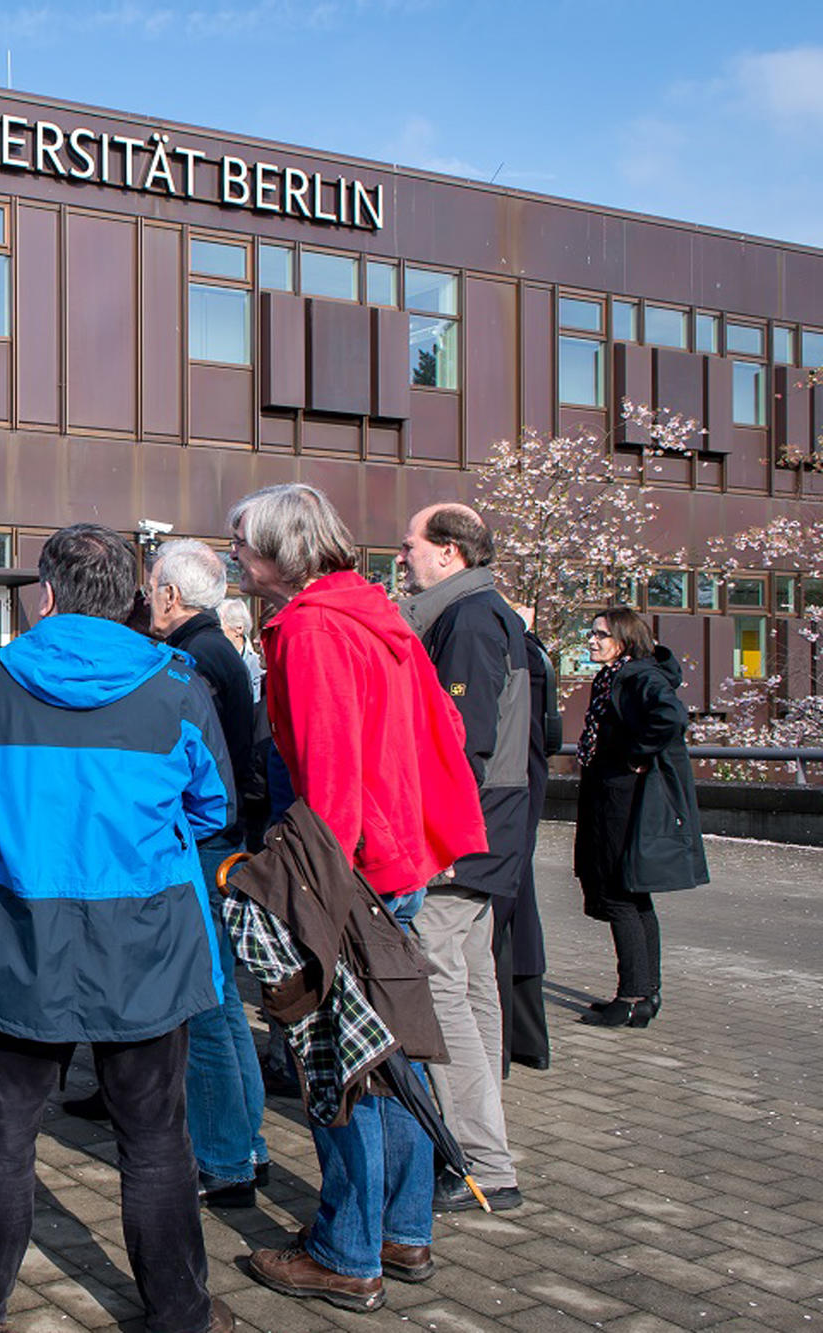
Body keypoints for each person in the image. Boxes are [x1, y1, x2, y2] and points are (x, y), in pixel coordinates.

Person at [0, 523, 234, 1333]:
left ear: (47, 595)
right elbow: (212, 805)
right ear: (130, 596)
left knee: (4, 1123)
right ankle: (179, 1310)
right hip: (146, 941)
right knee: (156, 1135)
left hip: (20, 933)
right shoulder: (176, 684)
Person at [227, 484, 485, 1314]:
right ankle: (402, 1230)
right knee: (394, 1054)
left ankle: (348, 1251)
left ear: (278, 552)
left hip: (351, 871)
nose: (235, 557)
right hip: (393, 861)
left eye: (242, 543)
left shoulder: (310, 628)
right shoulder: (368, 610)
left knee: (343, 1062)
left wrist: (303, 888)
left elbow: (332, 775)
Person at [397, 504, 528, 1214]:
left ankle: (481, 1158)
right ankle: (486, 1145)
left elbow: (458, 741)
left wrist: (433, 840)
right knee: (471, 986)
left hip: (462, 836)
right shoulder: (483, 612)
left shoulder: (469, 619)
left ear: (448, 553)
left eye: (411, 546)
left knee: (446, 991)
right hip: (485, 833)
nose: (403, 557)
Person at [150, 538, 270, 1209]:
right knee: (221, 1001)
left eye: (151, 587)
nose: (146, 599)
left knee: (206, 1002)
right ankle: (245, 1146)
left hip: (202, 840)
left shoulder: (192, 656)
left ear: (172, 594)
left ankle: (225, 1156)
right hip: (222, 838)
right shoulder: (219, 649)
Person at [573, 606, 708, 1028]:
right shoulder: (617, 675)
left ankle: (632, 995)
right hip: (615, 794)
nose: (592, 641)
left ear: (625, 640)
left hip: (623, 798)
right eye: (591, 634)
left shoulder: (636, 676)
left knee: (618, 894)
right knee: (633, 893)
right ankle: (645, 993)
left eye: (601, 635)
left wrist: (635, 755)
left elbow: (670, 717)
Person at [507, 607, 560, 1070]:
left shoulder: (513, 651)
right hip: (526, 780)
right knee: (520, 909)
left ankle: (516, 1040)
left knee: (506, 913)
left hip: (510, 790)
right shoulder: (535, 651)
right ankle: (527, 1039)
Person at [218, 596, 264, 702]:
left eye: (219, 628)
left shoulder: (257, 667)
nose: (213, 634)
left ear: (239, 628)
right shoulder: (212, 662)